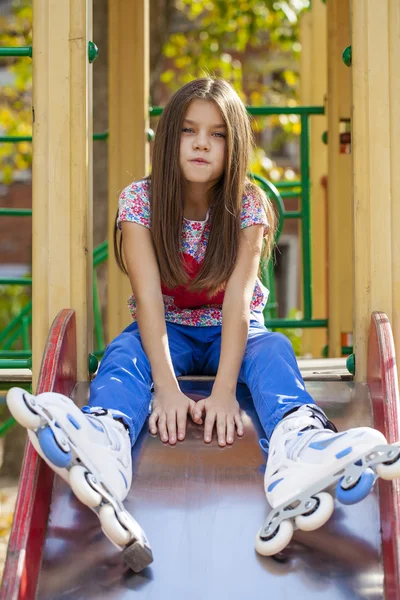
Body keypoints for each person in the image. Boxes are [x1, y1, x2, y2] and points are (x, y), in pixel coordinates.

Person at [7, 78, 400, 571]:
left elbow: (238, 299)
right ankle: (105, 437)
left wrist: (221, 391)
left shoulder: (249, 205)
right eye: (189, 130)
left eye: (217, 134)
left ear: (234, 145)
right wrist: (168, 390)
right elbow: (147, 298)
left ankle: (298, 443)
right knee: (124, 355)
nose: (200, 143)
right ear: (169, 137)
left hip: (232, 330)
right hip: (165, 328)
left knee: (274, 348)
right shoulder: (139, 203)